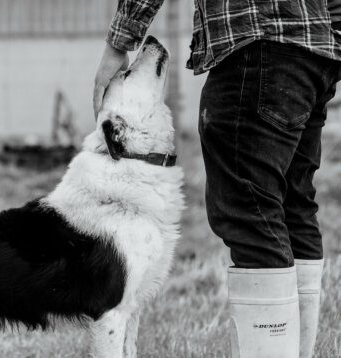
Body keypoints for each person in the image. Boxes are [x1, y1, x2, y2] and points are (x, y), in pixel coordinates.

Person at [93, 1, 341, 357]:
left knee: (251, 212)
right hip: (316, 47)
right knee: (293, 208)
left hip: (256, 41)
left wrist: (117, 44)